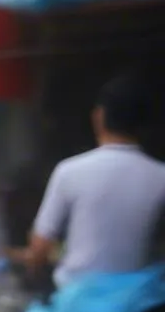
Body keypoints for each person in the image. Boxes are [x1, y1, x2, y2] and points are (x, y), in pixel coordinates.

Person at [20, 73, 165, 288]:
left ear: (98, 117)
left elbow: (40, 247)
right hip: (135, 302)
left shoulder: (69, 171)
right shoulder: (160, 175)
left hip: (77, 301)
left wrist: (33, 267)